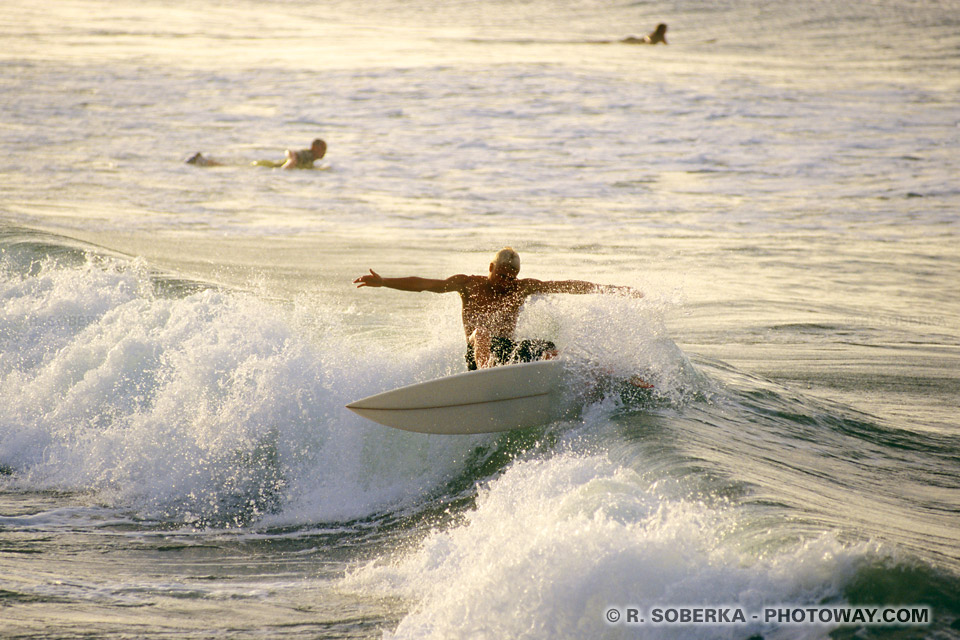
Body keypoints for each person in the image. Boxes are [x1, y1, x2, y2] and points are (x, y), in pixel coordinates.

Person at [353, 247, 642, 370]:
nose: (506, 281)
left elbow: (567, 285)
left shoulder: (521, 287)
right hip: (478, 354)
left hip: (507, 352)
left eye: (511, 276)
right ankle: (485, 377)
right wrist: (385, 282)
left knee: (552, 348)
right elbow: (426, 284)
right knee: (481, 332)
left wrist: (613, 290)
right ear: (491, 267)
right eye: (502, 273)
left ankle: (602, 376)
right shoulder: (468, 284)